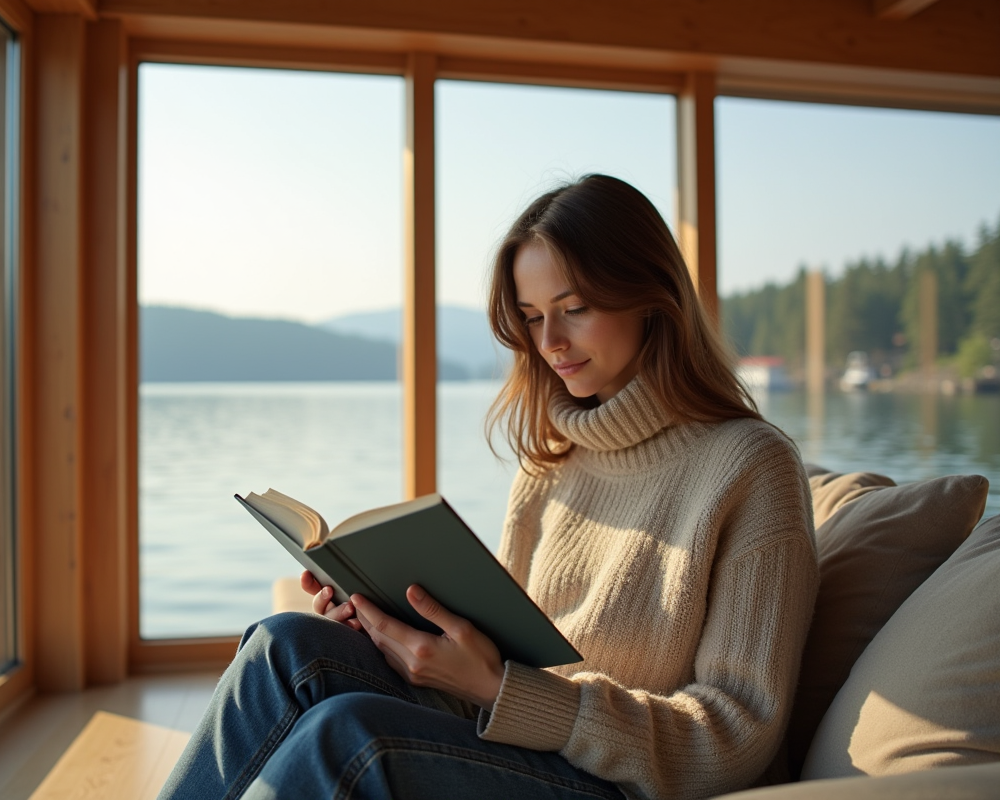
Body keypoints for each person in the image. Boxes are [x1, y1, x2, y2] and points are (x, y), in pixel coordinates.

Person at [157, 174, 819, 800]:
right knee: (288, 646)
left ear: (653, 298)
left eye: (575, 308)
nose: (551, 342)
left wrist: (502, 687)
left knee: (352, 737)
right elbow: (507, 667)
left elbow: (736, 737)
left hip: (625, 784)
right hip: (524, 740)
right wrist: (390, 632)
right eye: (531, 317)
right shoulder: (551, 465)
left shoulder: (749, 467)